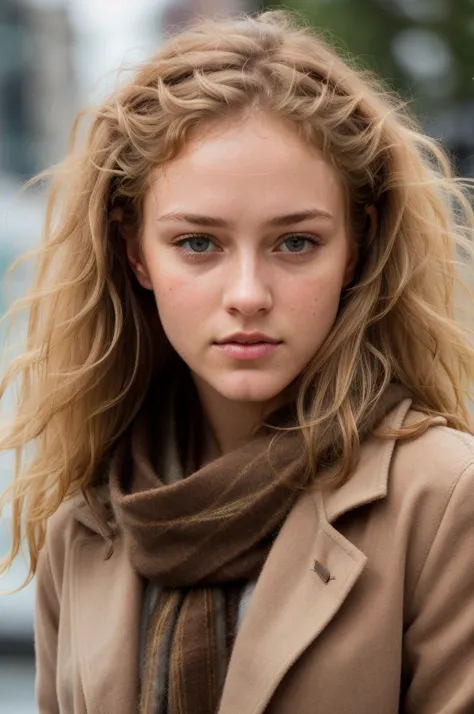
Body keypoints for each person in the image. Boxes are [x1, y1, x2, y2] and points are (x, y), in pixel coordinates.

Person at [1, 9, 474, 714]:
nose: (247, 295)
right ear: (134, 252)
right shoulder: (87, 520)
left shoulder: (445, 501)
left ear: (360, 244)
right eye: (198, 244)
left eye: (295, 244)